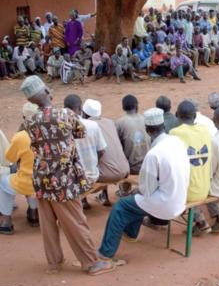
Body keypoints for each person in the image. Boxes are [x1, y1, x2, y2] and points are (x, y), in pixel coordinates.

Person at [19, 76, 111, 275]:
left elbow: (34, 143)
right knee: (75, 221)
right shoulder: (65, 114)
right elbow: (80, 133)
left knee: (48, 224)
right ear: (44, 92)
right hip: (64, 179)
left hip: (41, 178)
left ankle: (54, 263)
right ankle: (91, 262)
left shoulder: (30, 120)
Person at [98, 108, 190, 266]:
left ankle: (106, 253)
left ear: (147, 130)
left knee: (121, 206)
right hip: (180, 198)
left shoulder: (154, 154)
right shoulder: (177, 142)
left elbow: (147, 190)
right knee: (136, 200)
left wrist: (136, 191)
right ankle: (130, 234)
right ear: (163, 125)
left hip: (166, 204)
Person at [0, 103, 39, 235]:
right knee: (31, 179)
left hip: (27, 182)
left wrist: (19, 133)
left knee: (3, 182)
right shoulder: (49, 131)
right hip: (45, 181)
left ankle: (7, 223)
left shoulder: (21, 136)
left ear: (24, 117)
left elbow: (9, 157)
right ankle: (34, 215)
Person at [170, 101, 212, 235]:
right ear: (195, 116)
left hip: (187, 193)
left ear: (177, 116)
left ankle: (156, 220)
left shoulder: (174, 133)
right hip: (206, 188)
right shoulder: (205, 130)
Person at [82, 99, 130, 206]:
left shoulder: (86, 127)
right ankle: (104, 196)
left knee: (84, 157)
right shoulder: (110, 122)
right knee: (104, 157)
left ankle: (83, 199)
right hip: (124, 170)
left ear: (84, 113)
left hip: (106, 174)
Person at [64, 95, 107, 210]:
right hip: (92, 175)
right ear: (79, 109)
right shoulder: (94, 125)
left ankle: (81, 200)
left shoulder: (61, 126)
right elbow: (102, 150)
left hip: (71, 180)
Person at [116, 95, 150, 178]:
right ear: (136, 105)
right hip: (148, 164)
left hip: (131, 167)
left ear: (123, 107)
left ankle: (124, 188)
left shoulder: (120, 122)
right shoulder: (146, 119)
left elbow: (116, 145)